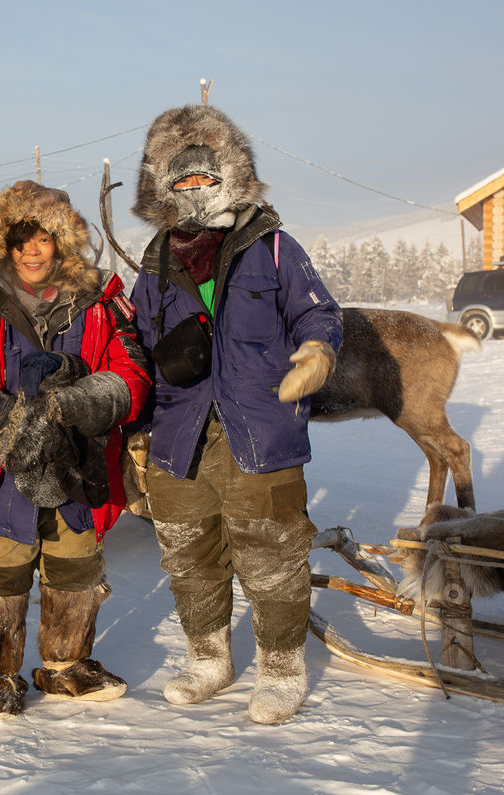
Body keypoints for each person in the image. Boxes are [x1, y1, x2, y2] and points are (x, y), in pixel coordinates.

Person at [127, 104, 343, 724]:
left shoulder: (273, 248)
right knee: (188, 552)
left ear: (231, 178)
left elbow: (317, 312)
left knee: (272, 553)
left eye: (205, 179)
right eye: (182, 182)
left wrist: (316, 349)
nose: (195, 192)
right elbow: (139, 336)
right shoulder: (156, 258)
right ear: (165, 188)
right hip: (179, 433)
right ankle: (208, 661)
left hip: (260, 429)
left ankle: (281, 670)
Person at [0, 181, 151, 716]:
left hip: (77, 462)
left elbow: (133, 372)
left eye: (44, 238)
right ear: (3, 240)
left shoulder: (100, 300)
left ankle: (66, 665)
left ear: (63, 242)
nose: (32, 250)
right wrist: (10, 419)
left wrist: (81, 404)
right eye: (21, 237)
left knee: (75, 566)